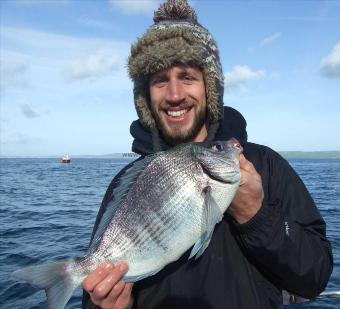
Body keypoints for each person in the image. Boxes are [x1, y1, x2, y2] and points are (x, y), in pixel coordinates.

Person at [82, 0, 333, 308]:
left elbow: (315, 276)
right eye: (160, 80)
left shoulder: (266, 165)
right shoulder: (127, 182)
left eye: (187, 77)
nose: (174, 95)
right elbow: (93, 293)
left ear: (209, 87)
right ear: (145, 96)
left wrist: (256, 216)